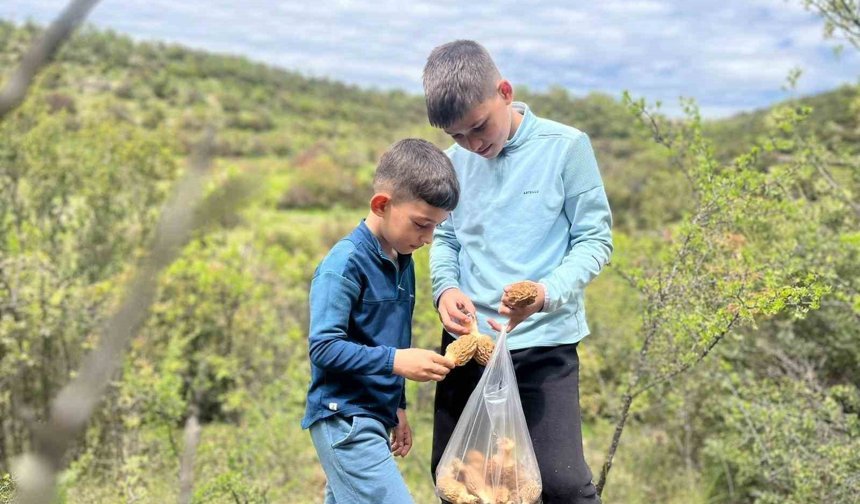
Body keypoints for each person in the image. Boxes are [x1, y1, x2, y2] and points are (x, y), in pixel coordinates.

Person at [423, 40, 613, 504]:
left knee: (563, 485)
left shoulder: (566, 147)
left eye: (478, 127)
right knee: (457, 482)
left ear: (505, 92)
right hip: (469, 346)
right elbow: (446, 240)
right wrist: (445, 289)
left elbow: (595, 241)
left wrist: (545, 293)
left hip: (544, 346)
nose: (472, 145)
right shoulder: (453, 164)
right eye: (457, 136)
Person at [301, 138, 460, 503]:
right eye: (421, 225)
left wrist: (398, 407)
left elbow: (393, 337)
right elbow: (324, 347)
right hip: (344, 420)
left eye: (436, 227)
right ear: (382, 205)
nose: (428, 238)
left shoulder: (404, 260)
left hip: (374, 416)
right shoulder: (344, 264)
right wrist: (396, 362)